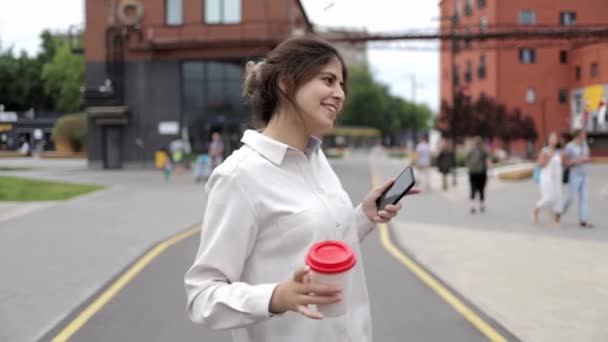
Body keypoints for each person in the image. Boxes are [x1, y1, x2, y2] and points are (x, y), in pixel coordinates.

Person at [184, 36, 417, 342]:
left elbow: (318, 242)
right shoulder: (238, 176)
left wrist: (363, 215)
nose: (340, 94)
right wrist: (277, 297)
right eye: (329, 80)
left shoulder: (316, 158)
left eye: (342, 85)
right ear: (286, 83)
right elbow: (202, 295)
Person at [561, 129, 594, 228]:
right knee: (570, 198)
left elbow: (588, 157)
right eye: (583, 134)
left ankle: (583, 220)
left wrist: (586, 159)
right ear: (578, 135)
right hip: (574, 175)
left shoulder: (585, 145)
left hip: (584, 175)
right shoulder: (570, 147)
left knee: (584, 198)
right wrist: (576, 161)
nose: (585, 136)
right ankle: (559, 212)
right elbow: (564, 163)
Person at [532, 132, 563, 225]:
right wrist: (549, 158)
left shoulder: (558, 152)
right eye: (552, 138)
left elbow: (560, 165)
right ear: (548, 140)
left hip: (557, 179)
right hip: (546, 177)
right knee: (548, 197)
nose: (554, 140)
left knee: (557, 198)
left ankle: (554, 219)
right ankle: (536, 209)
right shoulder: (544, 150)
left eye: (555, 138)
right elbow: (540, 165)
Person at [466, 136, 491, 214]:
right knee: (481, 189)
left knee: (472, 188)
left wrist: (469, 168)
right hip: (481, 173)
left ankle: (472, 206)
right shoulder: (483, 151)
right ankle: (481, 205)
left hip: (472, 173)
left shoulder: (471, 151)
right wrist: (490, 171)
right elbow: (488, 162)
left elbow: (467, 161)